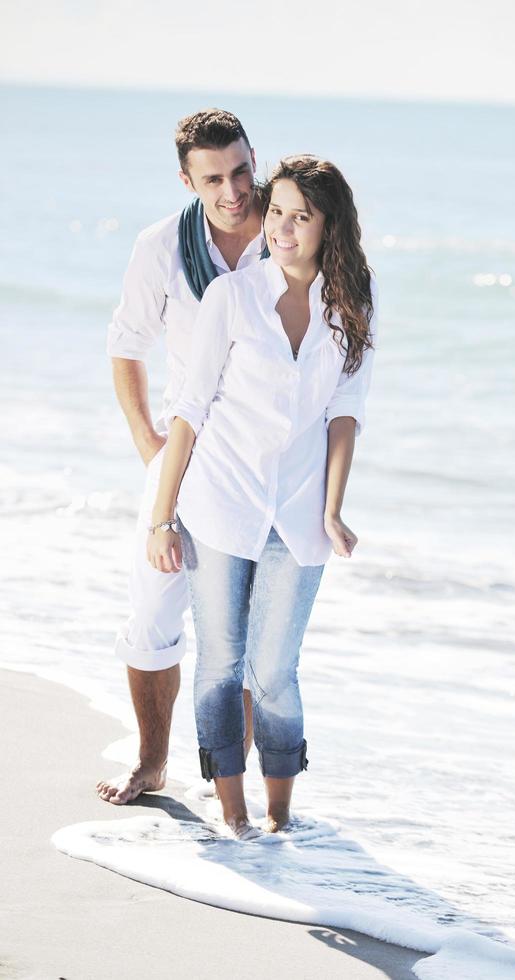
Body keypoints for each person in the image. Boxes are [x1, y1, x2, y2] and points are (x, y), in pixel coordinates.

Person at [146, 155, 377, 838]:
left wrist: (333, 509)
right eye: (275, 211)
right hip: (220, 502)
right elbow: (189, 411)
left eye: (300, 215)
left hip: (300, 513)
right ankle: (235, 817)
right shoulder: (234, 298)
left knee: (274, 670)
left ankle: (281, 821)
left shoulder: (353, 303)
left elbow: (346, 411)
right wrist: (163, 518)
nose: (281, 227)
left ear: (329, 225)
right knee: (220, 664)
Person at [97, 109, 263, 805]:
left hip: (261, 466)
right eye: (215, 179)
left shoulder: (290, 231)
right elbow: (126, 343)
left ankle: (233, 783)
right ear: (187, 180)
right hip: (182, 461)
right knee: (153, 615)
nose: (233, 192)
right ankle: (151, 760)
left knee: (251, 635)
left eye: (242, 171)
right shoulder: (162, 245)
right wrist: (148, 448)